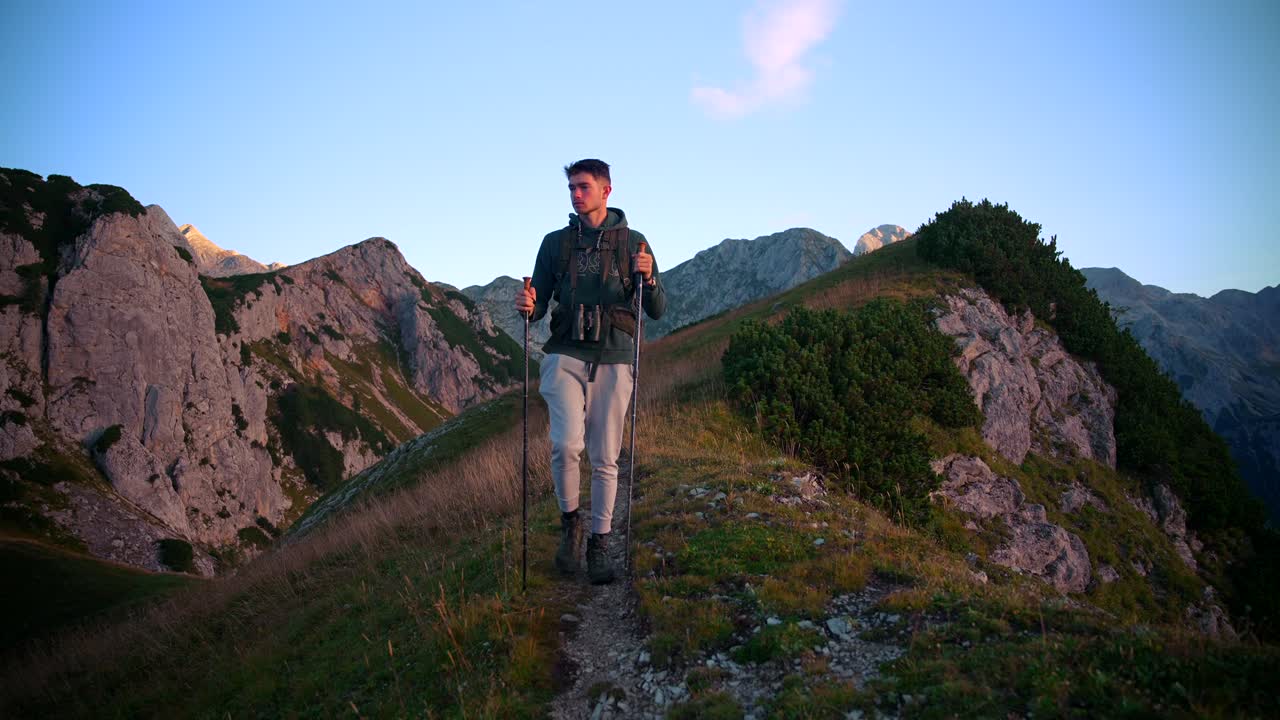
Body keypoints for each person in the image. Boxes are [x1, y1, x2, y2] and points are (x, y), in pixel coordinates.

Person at [514, 159, 666, 584]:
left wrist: (649, 279)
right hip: (564, 352)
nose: (576, 195)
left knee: (605, 456)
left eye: (583, 187)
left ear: (606, 190)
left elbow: (657, 309)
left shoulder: (634, 244)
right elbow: (538, 305)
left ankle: (600, 542)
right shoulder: (555, 244)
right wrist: (528, 305)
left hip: (615, 355)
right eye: (571, 188)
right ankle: (571, 527)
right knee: (565, 445)